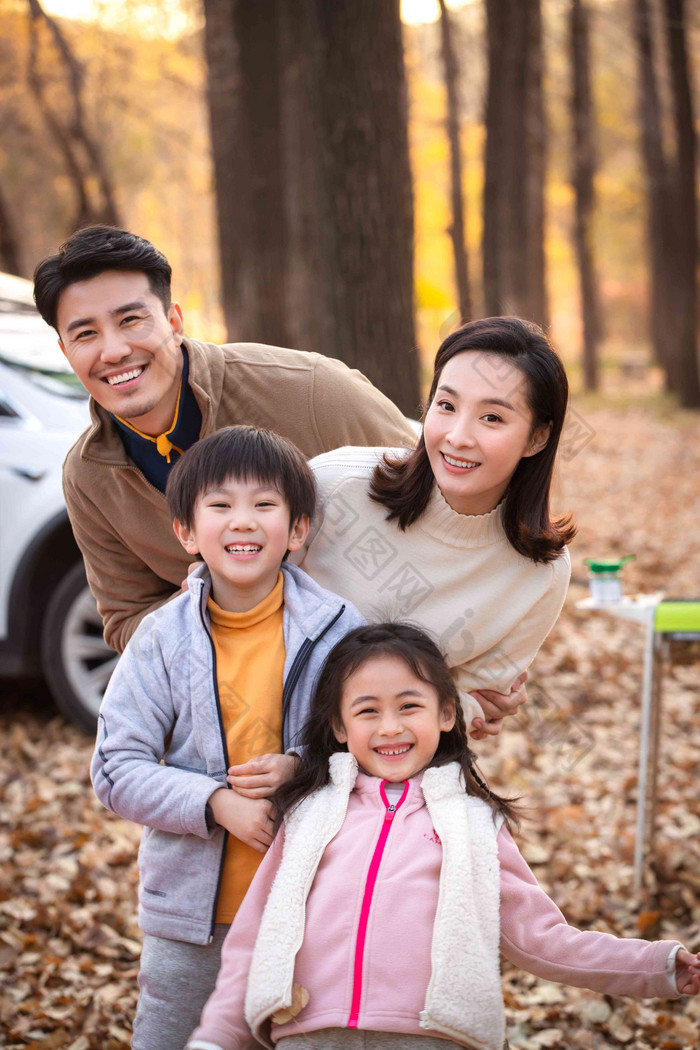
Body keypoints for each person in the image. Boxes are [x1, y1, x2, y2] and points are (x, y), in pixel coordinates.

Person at [186, 623, 700, 1050]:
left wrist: (655, 967)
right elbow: (256, 938)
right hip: (309, 1032)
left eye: (409, 706)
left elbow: (543, 939)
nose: (389, 727)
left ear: (447, 714)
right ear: (340, 727)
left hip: (431, 1036)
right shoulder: (311, 815)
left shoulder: (471, 823)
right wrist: (217, 1037)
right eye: (367, 711)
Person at [90, 426, 366, 1050]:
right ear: (187, 532)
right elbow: (114, 767)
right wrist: (215, 803)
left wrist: (303, 767)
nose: (243, 521)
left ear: (297, 530)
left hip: (313, 908)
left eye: (265, 504)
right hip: (195, 920)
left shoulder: (341, 629)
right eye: (220, 505)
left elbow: (372, 748)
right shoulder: (162, 639)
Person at [33, 225, 414, 654]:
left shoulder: (308, 388)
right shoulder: (89, 477)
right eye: (85, 334)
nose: (114, 350)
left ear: (174, 322)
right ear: (66, 353)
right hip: (243, 701)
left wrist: (476, 662)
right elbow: (126, 619)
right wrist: (209, 604)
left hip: (389, 671)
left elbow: (437, 497)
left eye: (130, 320)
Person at [296, 317, 576, 738]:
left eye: (493, 418)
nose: (458, 437)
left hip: (395, 778)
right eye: (446, 406)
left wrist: (462, 709)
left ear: (537, 438)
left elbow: (468, 710)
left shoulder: (543, 572)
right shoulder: (334, 488)